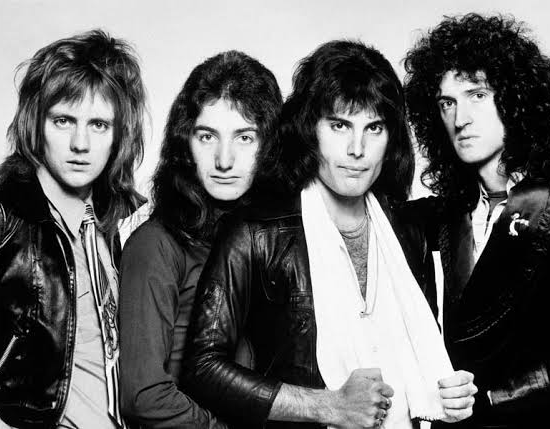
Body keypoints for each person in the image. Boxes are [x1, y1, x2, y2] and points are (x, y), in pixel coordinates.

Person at [182, 40, 477, 429]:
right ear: (310, 130)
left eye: (374, 128)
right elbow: (201, 367)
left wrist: (450, 396)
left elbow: (424, 361)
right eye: (340, 126)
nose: (357, 149)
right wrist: (326, 406)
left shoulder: (409, 232)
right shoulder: (255, 232)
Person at [403, 13, 550, 429]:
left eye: (477, 95)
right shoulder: (444, 211)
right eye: (446, 103)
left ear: (515, 98)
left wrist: (496, 399)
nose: (460, 118)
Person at [0, 30, 147, 429]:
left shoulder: (117, 225)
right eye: (63, 121)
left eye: (98, 124)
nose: (81, 143)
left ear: (119, 135)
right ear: (36, 123)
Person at [118, 50, 283, 428]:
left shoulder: (269, 242)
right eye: (207, 137)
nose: (224, 160)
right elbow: (143, 396)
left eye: (244, 137)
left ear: (269, 147)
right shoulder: (157, 245)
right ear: (185, 145)